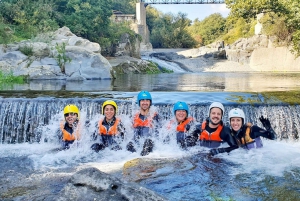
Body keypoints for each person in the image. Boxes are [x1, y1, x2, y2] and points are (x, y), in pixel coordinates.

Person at [126, 90, 160, 156]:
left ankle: (143, 159)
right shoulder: (133, 117)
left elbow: (159, 134)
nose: (145, 103)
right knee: (129, 144)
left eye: (147, 100)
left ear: (150, 102)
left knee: (148, 142)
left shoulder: (155, 117)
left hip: (150, 144)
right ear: (139, 102)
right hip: (137, 144)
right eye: (142, 100)